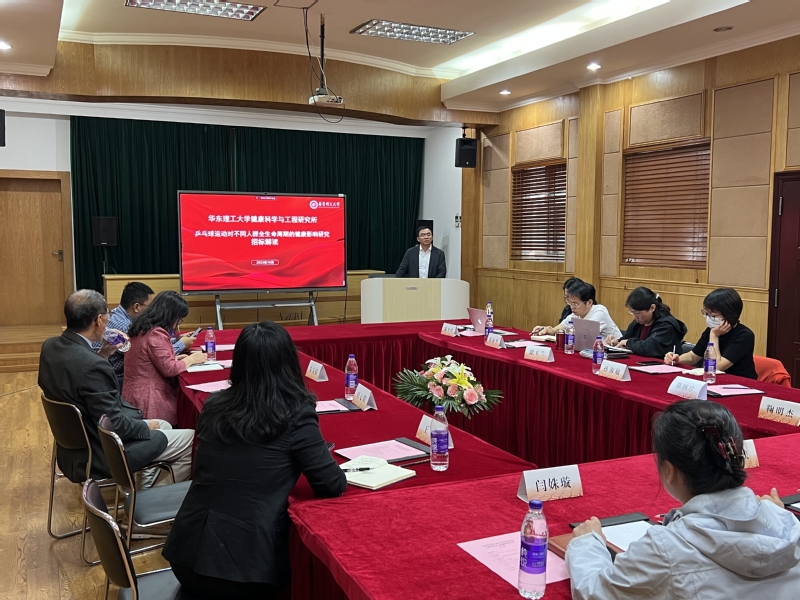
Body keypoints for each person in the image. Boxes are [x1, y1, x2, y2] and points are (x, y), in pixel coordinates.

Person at [163, 321, 347, 599]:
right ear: (289, 364)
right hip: (246, 571)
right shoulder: (296, 413)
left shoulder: (213, 404)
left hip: (185, 555)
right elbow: (331, 484)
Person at [565, 400, 800, 598]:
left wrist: (587, 543)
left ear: (669, 471)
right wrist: (776, 514)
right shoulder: (788, 525)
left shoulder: (665, 548)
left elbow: (595, 592)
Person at [38, 290, 193, 487]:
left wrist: (103, 354)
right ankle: (150, 497)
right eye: (107, 315)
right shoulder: (93, 367)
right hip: (103, 451)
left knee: (163, 425)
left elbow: (80, 380)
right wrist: (146, 426)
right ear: (99, 320)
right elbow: (115, 424)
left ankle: (145, 484)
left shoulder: (50, 346)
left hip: (73, 446)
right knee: (190, 439)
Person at [122, 291, 207, 424]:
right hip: (149, 399)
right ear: (171, 315)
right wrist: (191, 359)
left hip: (133, 395)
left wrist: (175, 358)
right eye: (179, 319)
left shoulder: (142, 327)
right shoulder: (156, 333)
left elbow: (149, 360)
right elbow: (170, 369)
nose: (178, 323)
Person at [91, 281, 199, 384]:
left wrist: (176, 340)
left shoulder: (118, 315)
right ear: (136, 307)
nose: (152, 310)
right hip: (115, 379)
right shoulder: (125, 327)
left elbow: (151, 347)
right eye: (149, 306)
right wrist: (182, 345)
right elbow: (150, 356)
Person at [664, 287, 757, 379]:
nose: (709, 318)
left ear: (729, 314)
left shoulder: (744, 335)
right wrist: (677, 359)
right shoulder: (711, 329)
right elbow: (693, 356)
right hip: (714, 380)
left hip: (739, 382)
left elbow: (716, 367)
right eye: (707, 314)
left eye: (713, 315)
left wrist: (714, 336)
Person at [606, 287, 687, 358]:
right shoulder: (638, 323)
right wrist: (616, 342)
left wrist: (628, 343)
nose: (635, 317)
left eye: (637, 313)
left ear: (652, 308)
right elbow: (627, 339)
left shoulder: (666, 325)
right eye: (632, 312)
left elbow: (649, 347)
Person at [532, 281, 621, 340]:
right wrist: (546, 329)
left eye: (575, 304)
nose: (572, 307)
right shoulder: (576, 314)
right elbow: (556, 330)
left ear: (589, 302)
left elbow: (584, 337)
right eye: (570, 303)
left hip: (614, 352)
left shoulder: (600, 311)